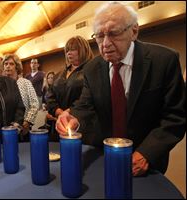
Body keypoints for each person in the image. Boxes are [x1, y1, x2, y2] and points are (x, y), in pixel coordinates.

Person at [55, 2, 186, 176]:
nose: (105, 44)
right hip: (105, 155)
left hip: (147, 160)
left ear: (134, 31)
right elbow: (85, 106)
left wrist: (147, 153)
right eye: (100, 36)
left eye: (113, 33)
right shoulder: (92, 68)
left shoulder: (164, 60)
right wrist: (73, 118)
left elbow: (175, 117)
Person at [46, 35, 94, 141]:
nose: (69, 53)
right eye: (67, 50)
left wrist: (68, 112)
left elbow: (86, 98)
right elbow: (50, 96)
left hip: (81, 124)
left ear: (83, 50)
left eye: (73, 49)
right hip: (58, 123)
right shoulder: (59, 73)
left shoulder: (91, 70)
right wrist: (59, 113)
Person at [2, 54, 39, 140]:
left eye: (11, 64)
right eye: (5, 63)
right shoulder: (0, 84)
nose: (8, 66)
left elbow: (34, 103)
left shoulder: (25, 83)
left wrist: (27, 122)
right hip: (6, 128)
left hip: (23, 127)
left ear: (17, 67)